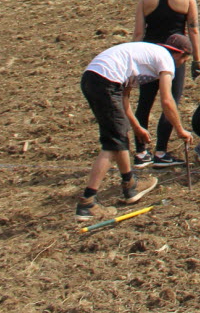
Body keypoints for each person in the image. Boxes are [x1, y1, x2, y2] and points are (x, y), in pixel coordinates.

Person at [76, 33, 193, 222]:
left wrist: (137, 126)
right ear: (180, 54)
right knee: (112, 144)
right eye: (185, 59)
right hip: (105, 81)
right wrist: (180, 130)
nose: (182, 64)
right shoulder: (166, 58)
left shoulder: (145, 55)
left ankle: (130, 186)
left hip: (93, 79)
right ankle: (87, 203)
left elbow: (124, 97)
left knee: (120, 136)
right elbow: (167, 100)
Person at [131, 0, 200, 168]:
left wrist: (133, 60)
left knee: (145, 102)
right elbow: (193, 29)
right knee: (171, 101)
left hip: (148, 55)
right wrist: (197, 59)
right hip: (174, 55)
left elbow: (138, 33)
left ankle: (141, 152)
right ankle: (161, 151)